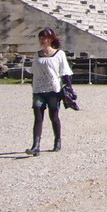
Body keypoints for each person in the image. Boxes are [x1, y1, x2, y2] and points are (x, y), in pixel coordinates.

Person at [26, 28, 73, 156]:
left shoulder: (59, 54)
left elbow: (65, 71)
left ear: (51, 39)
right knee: (38, 117)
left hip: (53, 89)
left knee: (54, 116)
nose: (42, 40)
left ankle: (57, 140)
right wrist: (32, 84)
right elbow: (33, 71)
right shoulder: (37, 54)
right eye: (40, 38)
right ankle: (36, 146)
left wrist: (69, 87)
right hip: (38, 89)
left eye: (44, 38)